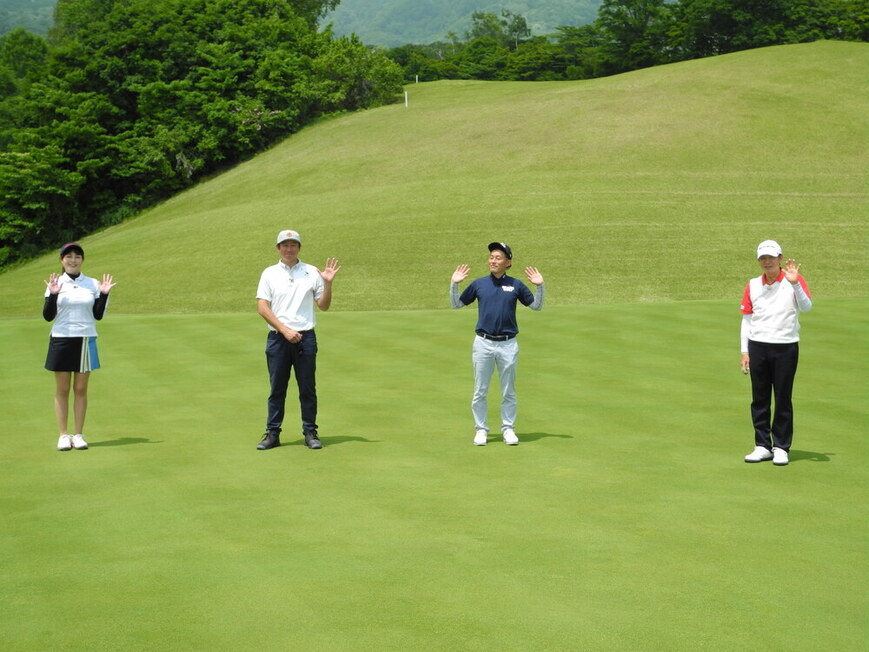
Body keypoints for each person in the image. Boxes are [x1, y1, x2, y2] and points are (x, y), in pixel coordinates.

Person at [450, 242, 544, 446]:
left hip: (508, 344)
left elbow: (536, 306)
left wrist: (539, 286)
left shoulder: (516, 285)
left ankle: (508, 429)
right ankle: (481, 430)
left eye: (498, 257)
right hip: (483, 343)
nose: (493, 260)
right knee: (480, 390)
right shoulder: (479, 284)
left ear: (508, 262)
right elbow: (457, 304)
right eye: (492, 257)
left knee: (508, 390)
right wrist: (454, 283)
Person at [255, 230, 341, 450]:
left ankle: (310, 432)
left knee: (307, 387)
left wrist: (328, 283)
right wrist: (284, 330)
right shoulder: (269, 273)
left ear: (299, 248)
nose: (289, 249)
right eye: (284, 245)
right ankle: (272, 433)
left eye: (293, 245)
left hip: (305, 337)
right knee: (277, 388)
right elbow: (263, 307)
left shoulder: (312, 272)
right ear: (278, 248)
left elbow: (323, 305)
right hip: (278, 338)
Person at [740, 240, 812, 466]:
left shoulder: (794, 279)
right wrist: (745, 351)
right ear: (758, 261)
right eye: (763, 258)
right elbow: (747, 319)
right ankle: (762, 445)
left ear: (780, 258)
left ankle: (781, 446)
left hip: (785, 346)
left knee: (782, 398)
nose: (767, 262)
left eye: (771, 257)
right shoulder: (752, 284)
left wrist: (795, 284)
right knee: (759, 398)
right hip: (758, 346)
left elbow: (807, 307)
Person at [43, 243, 116, 451]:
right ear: (61, 260)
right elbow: (48, 316)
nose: (73, 260)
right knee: (63, 389)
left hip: (85, 339)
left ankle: (78, 434)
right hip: (61, 338)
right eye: (68, 257)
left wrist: (103, 294)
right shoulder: (55, 283)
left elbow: (98, 315)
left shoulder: (92, 283)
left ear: (82, 260)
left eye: (77, 256)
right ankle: (63, 435)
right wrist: (54, 293)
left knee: (81, 388)